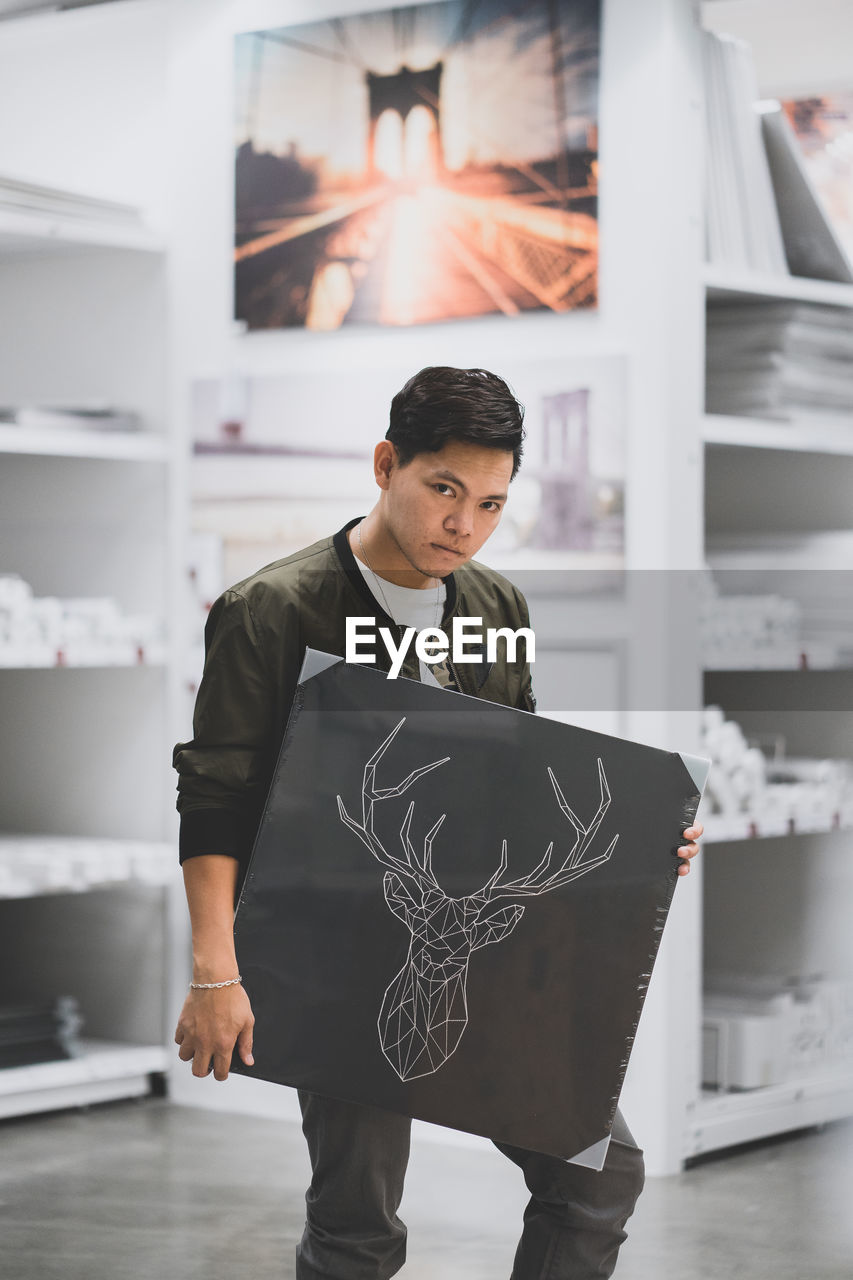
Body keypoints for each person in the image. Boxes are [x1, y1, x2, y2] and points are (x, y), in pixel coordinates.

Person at [172, 365, 703, 1279]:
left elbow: (519, 774)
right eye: (444, 490)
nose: (464, 526)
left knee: (599, 1176)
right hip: (334, 963)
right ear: (387, 465)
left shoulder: (495, 607)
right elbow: (214, 792)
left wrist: (637, 852)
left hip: (476, 955)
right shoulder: (271, 610)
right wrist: (215, 974)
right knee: (357, 1228)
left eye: (492, 504)